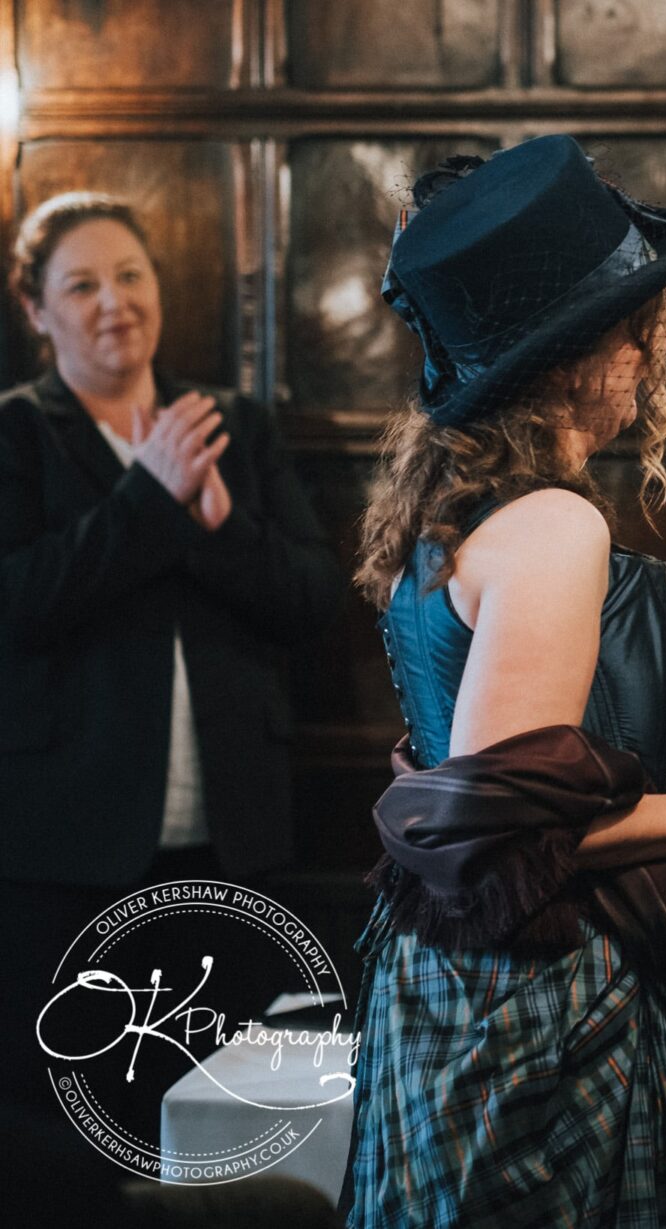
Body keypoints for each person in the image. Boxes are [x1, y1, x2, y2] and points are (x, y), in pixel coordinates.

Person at [342, 136, 666, 1227]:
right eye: (643, 327)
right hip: (538, 989)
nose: (655, 352)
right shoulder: (550, 524)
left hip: (453, 972)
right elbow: (508, 839)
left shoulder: (454, 508)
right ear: (585, 349)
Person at [0, 192, 346, 1152]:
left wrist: (222, 529)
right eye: (81, 284)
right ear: (38, 311)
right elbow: (18, 600)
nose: (113, 301)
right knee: (76, 1135)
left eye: (130, 275)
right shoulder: (17, 434)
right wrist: (148, 500)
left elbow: (313, 599)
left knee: (222, 1131)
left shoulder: (233, 423)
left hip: (232, 843)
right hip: (65, 852)